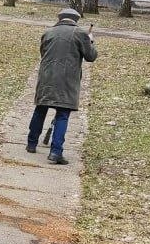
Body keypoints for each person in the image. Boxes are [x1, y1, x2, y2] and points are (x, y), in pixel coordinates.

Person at [27, 8, 98, 165]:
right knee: (62, 114)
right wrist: (90, 41)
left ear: (60, 18)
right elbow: (90, 56)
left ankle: (31, 143)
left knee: (40, 108)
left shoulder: (48, 32)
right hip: (67, 80)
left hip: (46, 77)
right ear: (76, 20)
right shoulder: (80, 34)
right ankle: (55, 152)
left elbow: (43, 53)